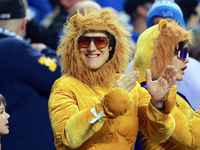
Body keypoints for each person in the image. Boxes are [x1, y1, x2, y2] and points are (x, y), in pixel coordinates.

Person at [48, 9, 179, 150]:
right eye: (85, 41)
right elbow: (68, 137)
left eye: (100, 41)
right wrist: (104, 108)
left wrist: (157, 105)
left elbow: (158, 136)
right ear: (76, 47)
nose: (92, 48)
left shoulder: (129, 85)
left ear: (111, 46)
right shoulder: (64, 85)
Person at [0, 0, 61, 149]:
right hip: (26, 142)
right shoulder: (14, 47)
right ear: (23, 24)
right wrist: (46, 51)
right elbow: (60, 76)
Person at [132, 18, 200, 149]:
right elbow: (194, 140)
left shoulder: (169, 93)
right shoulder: (148, 95)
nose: (186, 60)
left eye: (185, 52)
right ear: (157, 55)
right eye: (180, 52)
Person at [126, 0, 200, 111]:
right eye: (157, 24)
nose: (163, 30)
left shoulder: (196, 69)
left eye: (170, 24)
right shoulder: (133, 67)